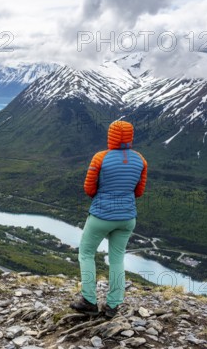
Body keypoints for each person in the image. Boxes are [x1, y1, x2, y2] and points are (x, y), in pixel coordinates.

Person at [70, 120, 148, 318]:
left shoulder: (100, 158)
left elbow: (89, 189)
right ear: (130, 136)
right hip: (127, 218)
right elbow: (139, 191)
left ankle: (89, 300)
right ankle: (113, 305)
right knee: (117, 259)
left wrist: (104, 193)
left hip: (101, 216)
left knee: (86, 254)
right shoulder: (140, 160)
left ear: (110, 135)